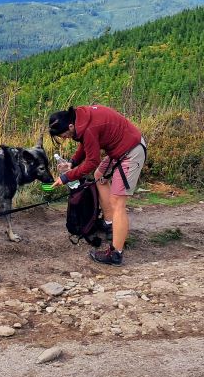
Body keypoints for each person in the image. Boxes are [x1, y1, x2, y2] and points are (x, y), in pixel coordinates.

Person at [47, 104, 147, 265]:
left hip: (131, 151)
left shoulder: (88, 128)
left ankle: (116, 254)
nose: (64, 138)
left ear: (70, 126)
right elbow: (85, 144)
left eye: (63, 135)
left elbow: (92, 161)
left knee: (118, 202)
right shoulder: (81, 119)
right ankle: (109, 223)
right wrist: (72, 162)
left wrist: (66, 177)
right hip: (119, 150)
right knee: (99, 176)